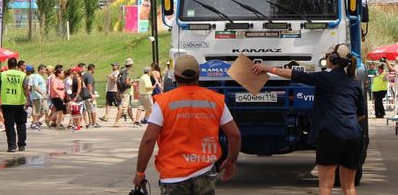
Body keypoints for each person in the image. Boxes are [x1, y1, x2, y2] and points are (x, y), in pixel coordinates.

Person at [253, 44, 366, 195]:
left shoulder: (325, 78)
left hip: (330, 135)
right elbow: (361, 115)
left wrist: (267, 68)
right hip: (353, 137)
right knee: (349, 187)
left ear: (332, 58)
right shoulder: (354, 84)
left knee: (326, 186)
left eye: (327, 56)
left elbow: (295, 75)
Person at [133, 55, 241, 194]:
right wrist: (231, 161)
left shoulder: (163, 102)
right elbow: (235, 135)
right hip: (205, 173)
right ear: (198, 76)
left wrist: (140, 172)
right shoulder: (215, 100)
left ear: (175, 77)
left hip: (173, 176)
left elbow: (149, 140)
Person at [0, 57, 30, 152]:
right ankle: (21, 145)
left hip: (7, 103)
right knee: (21, 124)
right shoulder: (23, 75)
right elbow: (25, 88)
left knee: (9, 125)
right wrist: (28, 100)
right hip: (19, 103)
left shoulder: (3, 75)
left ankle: (12, 146)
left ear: (8, 65)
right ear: (16, 65)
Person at [114, 58, 134, 127]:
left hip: (122, 91)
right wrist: (133, 84)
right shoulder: (127, 71)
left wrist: (118, 92)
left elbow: (118, 81)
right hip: (126, 91)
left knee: (129, 107)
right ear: (131, 65)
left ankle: (134, 121)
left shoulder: (121, 71)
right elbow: (127, 82)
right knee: (122, 107)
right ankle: (116, 122)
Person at [29, 65, 48, 129]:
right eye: (44, 69)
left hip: (42, 97)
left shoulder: (41, 77)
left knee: (45, 109)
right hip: (37, 96)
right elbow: (35, 86)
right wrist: (42, 94)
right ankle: (34, 123)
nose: (45, 71)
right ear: (40, 70)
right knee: (36, 110)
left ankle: (35, 121)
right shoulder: (37, 76)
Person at [82, 63, 99, 128]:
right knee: (93, 109)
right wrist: (91, 95)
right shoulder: (89, 75)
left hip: (84, 94)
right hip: (89, 94)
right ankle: (94, 123)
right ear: (92, 69)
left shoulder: (84, 75)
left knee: (89, 109)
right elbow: (89, 85)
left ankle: (90, 122)